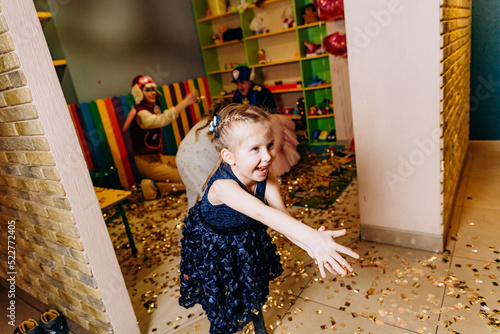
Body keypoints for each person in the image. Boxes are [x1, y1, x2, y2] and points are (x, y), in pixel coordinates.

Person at [179, 104, 359, 334]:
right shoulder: (223, 187)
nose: (267, 156)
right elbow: (261, 212)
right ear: (228, 156)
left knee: (251, 283)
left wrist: (313, 247)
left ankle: (258, 323)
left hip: (244, 235)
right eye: (255, 148)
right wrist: (313, 239)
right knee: (223, 299)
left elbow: (281, 219)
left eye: (270, 145)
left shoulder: (267, 177)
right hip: (213, 245)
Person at [125, 75, 197, 200]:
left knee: (186, 162)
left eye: (153, 89)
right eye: (148, 90)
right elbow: (161, 120)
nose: (152, 93)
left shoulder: (149, 110)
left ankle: (154, 181)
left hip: (157, 158)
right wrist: (185, 103)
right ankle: (154, 186)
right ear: (139, 93)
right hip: (147, 163)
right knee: (188, 178)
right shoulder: (141, 114)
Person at [231, 66, 301, 176]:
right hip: (249, 124)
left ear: (249, 81)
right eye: (237, 84)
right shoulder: (237, 94)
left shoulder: (261, 92)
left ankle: (274, 174)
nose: (240, 86)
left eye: (242, 83)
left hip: (268, 121)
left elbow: (269, 113)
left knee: (272, 147)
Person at [176, 99, 229, 209]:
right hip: (198, 160)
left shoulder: (204, 122)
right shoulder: (222, 124)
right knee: (211, 193)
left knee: (192, 191)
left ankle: (191, 218)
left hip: (181, 157)